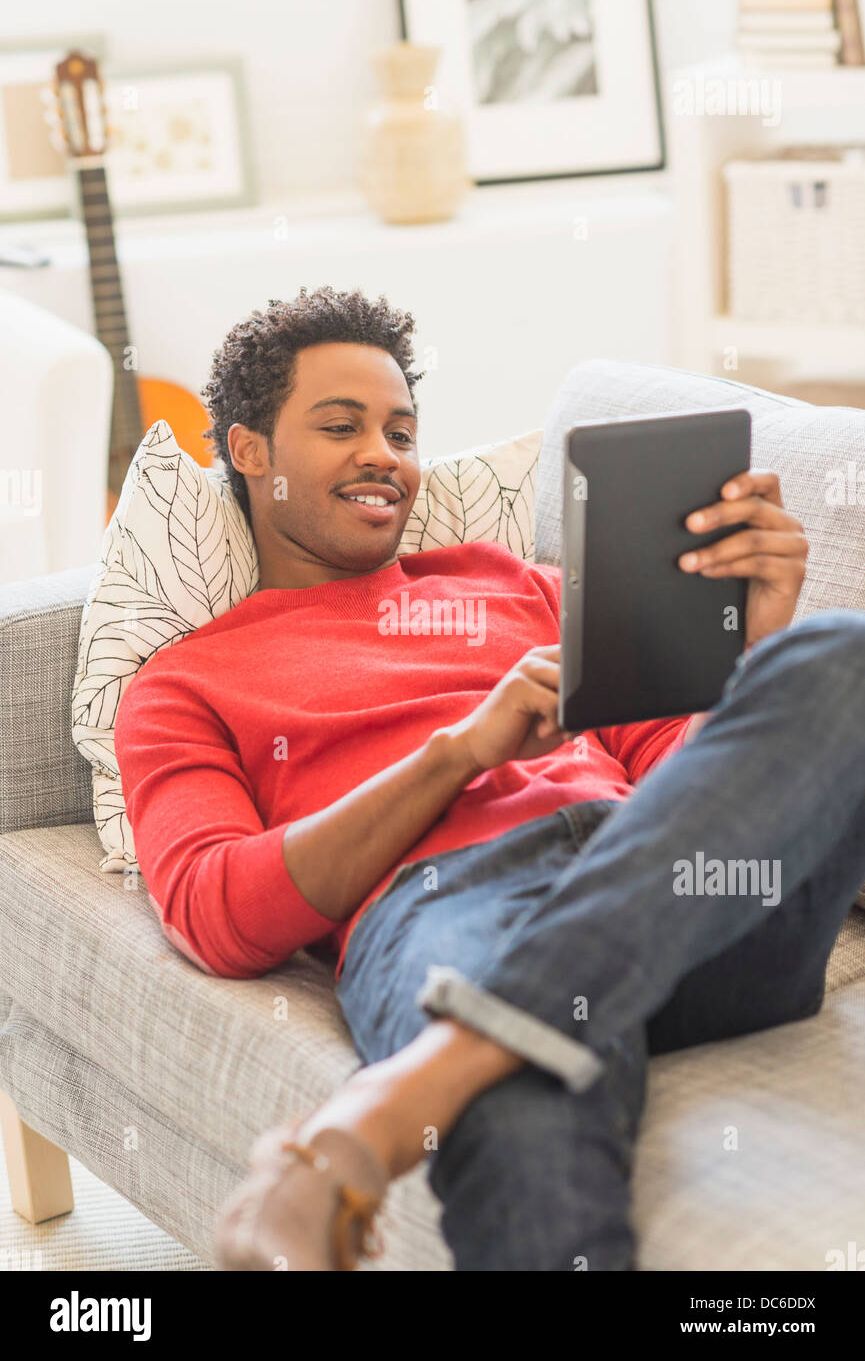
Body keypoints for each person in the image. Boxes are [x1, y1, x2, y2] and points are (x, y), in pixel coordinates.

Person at [113, 285, 865, 1272]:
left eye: (400, 430)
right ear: (250, 450)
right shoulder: (183, 680)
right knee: (518, 1111)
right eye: (340, 426)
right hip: (449, 908)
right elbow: (217, 911)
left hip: (677, 895)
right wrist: (460, 751)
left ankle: (406, 1092)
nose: (383, 452)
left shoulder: (524, 588)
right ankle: (479, 1054)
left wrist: (752, 645)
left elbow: (688, 788)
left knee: (837, 655)